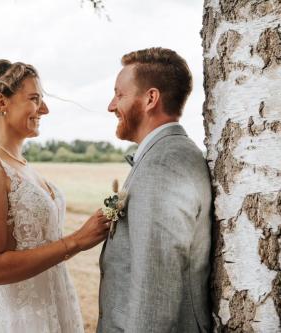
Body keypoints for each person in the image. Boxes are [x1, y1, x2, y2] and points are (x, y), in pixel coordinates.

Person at [0, 59, 110, 333]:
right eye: (34, 99)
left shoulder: (24, 166)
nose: (45, 109)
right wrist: (76, 241)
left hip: (55, 307)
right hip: (17, 319)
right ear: (1, 102)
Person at [97, 48, 212, 332]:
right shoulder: (164, 154)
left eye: (119, 95)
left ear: (150, 99)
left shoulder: (164, 165)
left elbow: (155, 295)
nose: (111, 106)